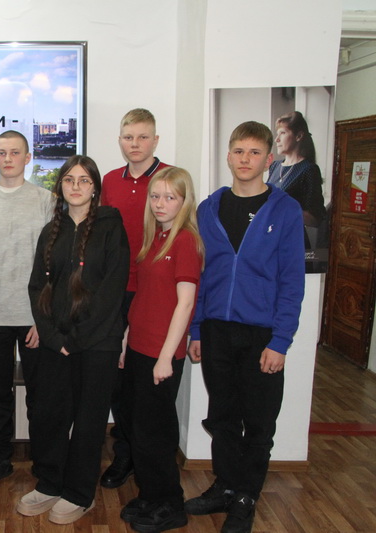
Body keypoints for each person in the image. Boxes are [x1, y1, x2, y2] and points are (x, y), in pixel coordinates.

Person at [185, 121, 304, 533]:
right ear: (228, 155)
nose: (245, 159)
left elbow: (292, 281)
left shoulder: (285, 210)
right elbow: (201, 273)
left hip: (262, 336)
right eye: (239, 151)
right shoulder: (209, 208)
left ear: (269, 159)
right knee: (221, 417)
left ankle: (246, 496)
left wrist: (281, 340)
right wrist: (196, 329)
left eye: (254, 152)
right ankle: (225, 486)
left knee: (258, 422)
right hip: (216, 329)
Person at [19, 155, 129, 525]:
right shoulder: (51, 230)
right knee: (49, 415)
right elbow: (37, 286)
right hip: (56, 343)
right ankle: (50, 483)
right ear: (60, 186)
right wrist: (53, 336)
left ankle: (80, 493)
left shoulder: (111, 228)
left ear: (95, 187)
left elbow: (112, 291)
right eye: (69, 180)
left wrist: (77, 339)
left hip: (97, 344)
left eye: (84, 180)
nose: (76, 186)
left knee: (88, 421)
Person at [0, 130, 54, 489]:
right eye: (1, 153)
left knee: (40, 397)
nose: (8, 159)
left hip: (34, 318)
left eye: (15, 152)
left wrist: (44, 319)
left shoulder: (47, 201)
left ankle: (44, 462)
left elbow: (55, 265)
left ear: (28, 157)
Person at [118, 167, 203, 532]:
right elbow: (145, 297)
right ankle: (151, 495)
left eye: (170, 197)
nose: (160, 203)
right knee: (140, 429)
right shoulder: (155, 237)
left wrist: (166, 357)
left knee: (156, 433)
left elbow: (185, 304)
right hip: (139, 346)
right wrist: (127, 339)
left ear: (185, 201)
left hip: (161, 353)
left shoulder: (185, 241)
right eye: (155, 196)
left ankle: (170, 505)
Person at [99, 108, 169, 490]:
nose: (135, 144)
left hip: (154, 295)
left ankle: (149, 463)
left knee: (146, 384)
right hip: (115, 293)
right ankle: (123, 454)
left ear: (155, 140)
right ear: (120, 141)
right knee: (116, 380)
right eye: (129, 137)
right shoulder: (110, 181)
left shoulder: (169, 179)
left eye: (143, 137)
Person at [267, 111, 326, 249]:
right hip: (270, 238)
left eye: (282, 133)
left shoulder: (309, 169)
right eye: (277, 134)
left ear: (298, 136)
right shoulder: (275, 166)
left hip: (292, 242)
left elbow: (315, 218)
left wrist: (284, 210)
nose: (277, 140)